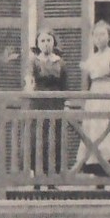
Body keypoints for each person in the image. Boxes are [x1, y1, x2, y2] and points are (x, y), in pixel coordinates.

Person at [74, 20, 110, 175]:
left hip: (109, 92)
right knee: (95, 131)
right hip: (94, 94)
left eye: (102, 34)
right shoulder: (91, 59)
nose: (99, 38)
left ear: (109, 36)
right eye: (96, 35)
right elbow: (86, 83)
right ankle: (98, 172)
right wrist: (83, 104)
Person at [30, 30, 70, 177]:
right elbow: (29, 81)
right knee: (38, 139)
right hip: (38, 103)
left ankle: (52, 177)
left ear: (53, 42)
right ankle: (37, 176)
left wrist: (66, 105)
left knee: (55, 139)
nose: (46, 44)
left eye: (48, 40)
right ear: (38, 44)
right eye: (42, 41)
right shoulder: (33, 62)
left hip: (56, 104)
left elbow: (65, 86)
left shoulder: (60, 63)